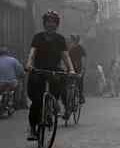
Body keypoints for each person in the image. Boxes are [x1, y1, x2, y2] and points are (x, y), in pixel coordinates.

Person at [25, 10, 75, 141]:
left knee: (56, 91)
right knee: (36, 102)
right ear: (44, 23)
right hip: (39, 71)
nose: (50, 24)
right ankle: (32, 129)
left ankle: (52, 108)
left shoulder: (60, 39)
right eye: (48, 21)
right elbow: (32, 53)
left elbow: (65, 56)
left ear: (57, 24)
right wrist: (29, 64)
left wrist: (71, 69)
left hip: (54, 71)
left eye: (53, 22)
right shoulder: (37, 37)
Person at [68, 34, 87, 104]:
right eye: (72, 39)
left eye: (74, 39)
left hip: (79, 68)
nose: (73, 41)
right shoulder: (69, 49)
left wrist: (83, 69)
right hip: (71, 68)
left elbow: (83, 58)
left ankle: (81, 95)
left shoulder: (80, 48)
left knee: (80, 82)